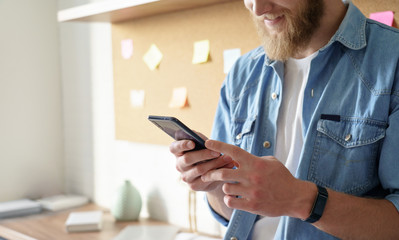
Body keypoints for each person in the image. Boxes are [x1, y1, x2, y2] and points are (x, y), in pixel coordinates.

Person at [170, 0, 399, 239]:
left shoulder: (393, 62)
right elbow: (235, 216)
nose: (257, 9)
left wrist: (301, 199)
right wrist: (215, 186)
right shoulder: (242, 74)